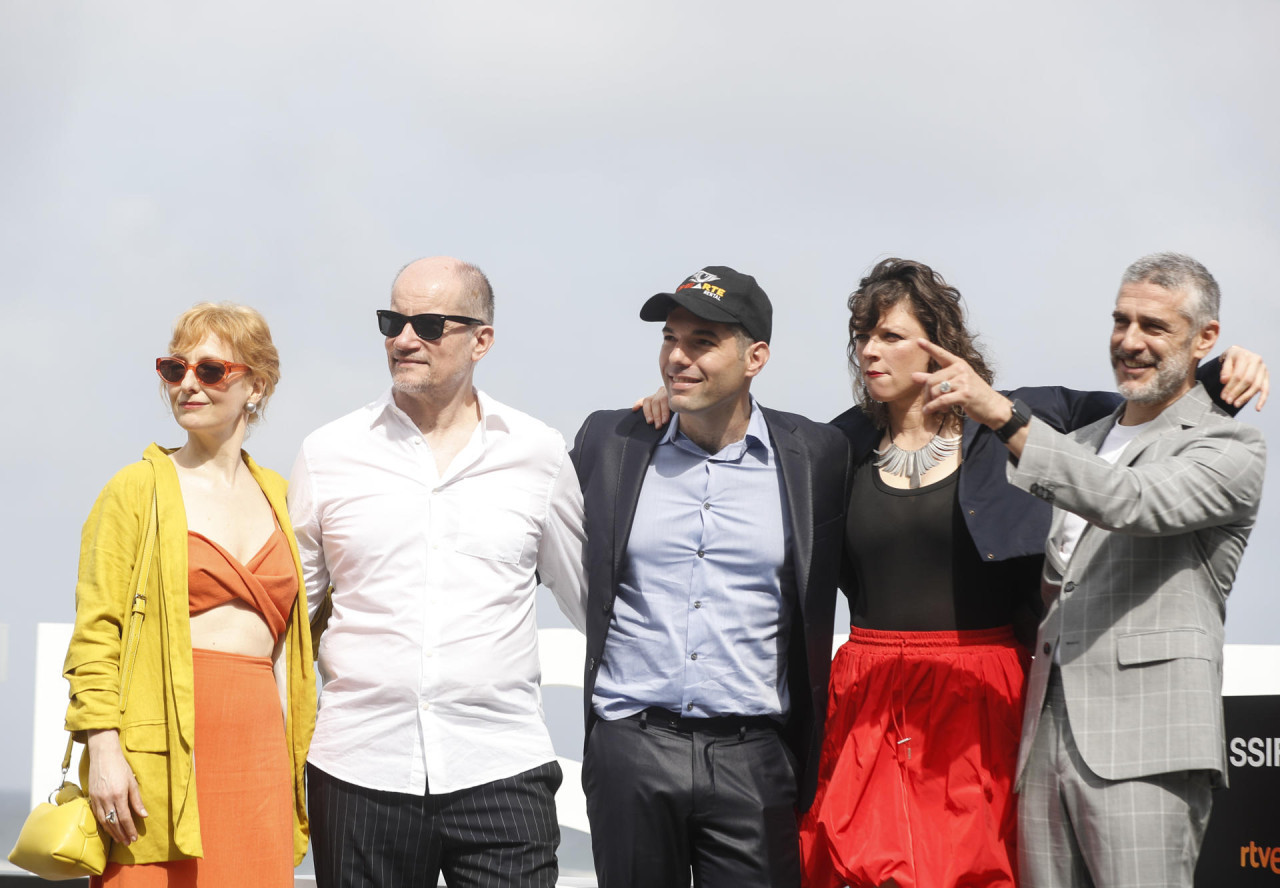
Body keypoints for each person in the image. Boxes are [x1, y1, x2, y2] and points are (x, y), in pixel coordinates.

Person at [786, 259, 1268, 888]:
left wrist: (1223, 372)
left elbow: (1139, 430)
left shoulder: (1022, 419)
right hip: (883, 699)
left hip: (992, 695)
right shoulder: (840, 443)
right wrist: (674, 413)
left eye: (891, 334)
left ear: (941, 339)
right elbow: (755, 456)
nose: (871, 350)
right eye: (862, 335)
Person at [288, 256, 587, 888]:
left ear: (482, 340)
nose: (403, 339)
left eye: (426, 323)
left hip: (502, 763)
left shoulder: (538, 453)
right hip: (359, 768)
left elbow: (592, 601)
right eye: (392, 320)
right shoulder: (328, 454)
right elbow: (290, 620)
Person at [572, 266, 851, 888]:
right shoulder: (611, 440)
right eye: (670, 338)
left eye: (702, 341)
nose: (677, 356)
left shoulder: (819, 455)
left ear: (755, 357)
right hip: (632, 749)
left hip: (755, 759)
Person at [63, 303, 316, 887]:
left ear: (256, 384)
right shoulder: (134, 489)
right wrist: (103, 750)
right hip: (157, 753)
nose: (187, 385)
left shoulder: (284, 496)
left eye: (210, 371)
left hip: (259, 755)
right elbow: (96, 632)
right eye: (174, 370)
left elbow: (297, 645)